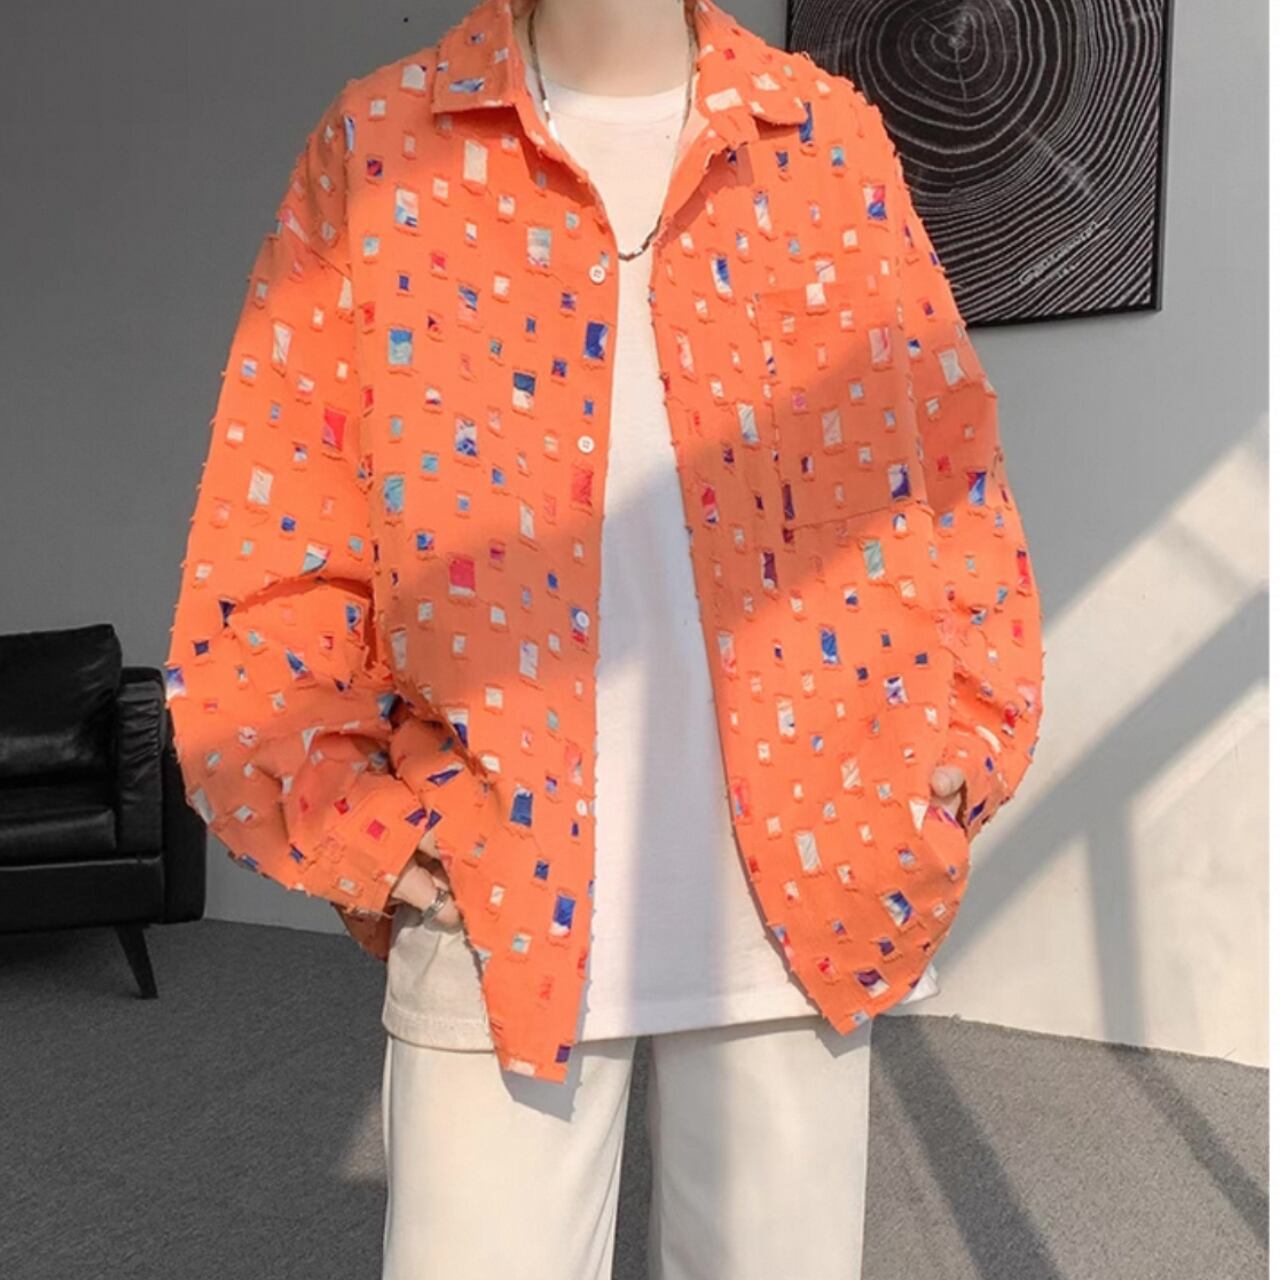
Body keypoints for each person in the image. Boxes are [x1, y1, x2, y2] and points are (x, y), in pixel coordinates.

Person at [163, 0, 1045, 1275]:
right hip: (489, 873)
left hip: (811, 870)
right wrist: (353, 813)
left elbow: (950, 469)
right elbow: (278, 524)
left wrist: (958, 736)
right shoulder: (383, 144)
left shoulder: (824, 139)